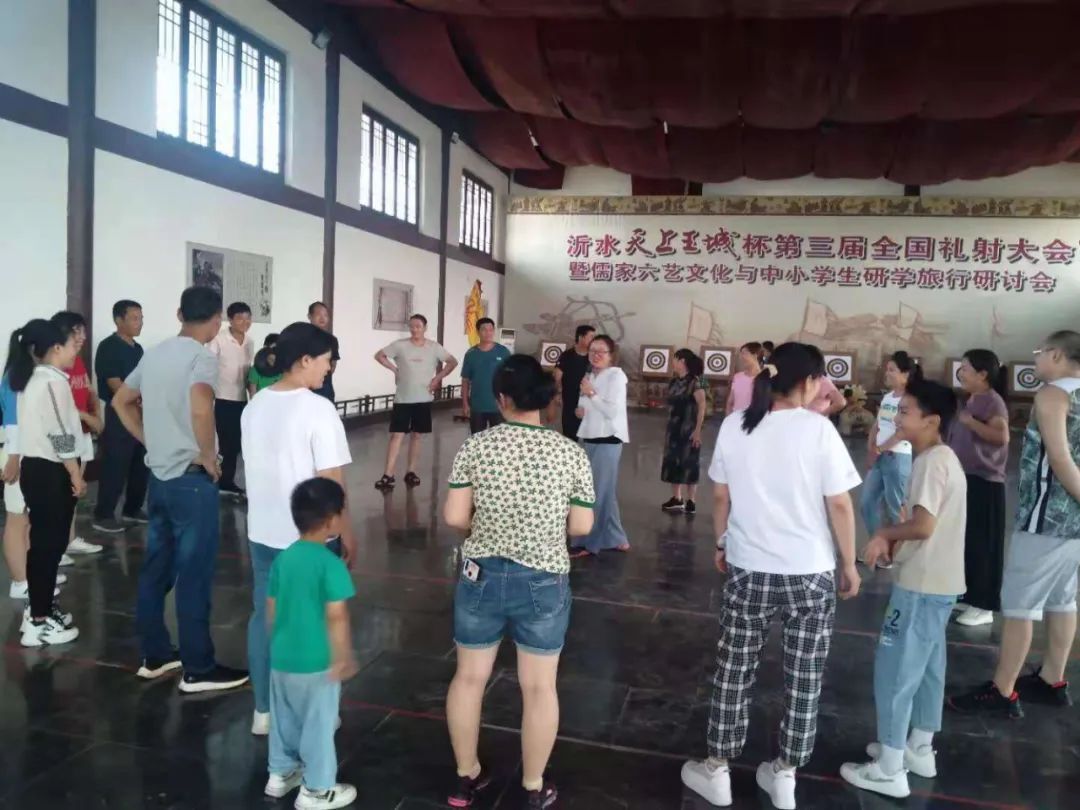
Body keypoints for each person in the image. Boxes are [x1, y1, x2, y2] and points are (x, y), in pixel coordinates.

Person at [681, 343, 861, 810]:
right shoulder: (818, 430)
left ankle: (717, 769)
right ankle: (785, 774)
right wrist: (848, 563)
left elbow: (720, 496)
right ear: (808, 382)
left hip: (749, 567)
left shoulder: (735, 425)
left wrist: (721, 542)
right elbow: (840, 504)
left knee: (734, 668)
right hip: (810, 572)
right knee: (805, 676)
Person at [443, 354, 595, 810]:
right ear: (546, 400)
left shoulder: (476, 447)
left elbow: (454, 517)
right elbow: (582, 526)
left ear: (502, 398)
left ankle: (466, 777)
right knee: (540, 687)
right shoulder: (570, 452)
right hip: (544, 579)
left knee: (469, 678)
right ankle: (533, 784)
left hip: (481, 575)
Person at [112, 286, 249, 693]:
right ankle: (198, 667)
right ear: (217, 320)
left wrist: (150, 440)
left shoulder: (154, 353)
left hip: (160, 479)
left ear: (179, 314)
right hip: (191, 481)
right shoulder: (201, 357)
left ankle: (155, 655)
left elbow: (121, 401)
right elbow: (201, 407)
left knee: (157, 569)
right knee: (194, 573)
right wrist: (209, 456)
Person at [841, 380, 966, 799]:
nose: (897, 416)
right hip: (941, 583)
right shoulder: (941, 457)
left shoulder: (931, 463)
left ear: (932, 421)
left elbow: (924, 526)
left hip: (921, 585)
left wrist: (884, 534)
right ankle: (919, 747)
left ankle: (890, 767)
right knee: (928, 668)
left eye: (907, 411)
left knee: (895, 671)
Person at [949, 330, 1080, 717]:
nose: (1035, 359)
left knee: (1020, 605)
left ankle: (1002, 691)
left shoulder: (1054, 395)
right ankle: (1052, 679)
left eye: (1040, 352)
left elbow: (1059, 457)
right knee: (1063, 599)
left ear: (1057, 355)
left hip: (1047, 516)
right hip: (1073, 523)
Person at [242, 322, 356, 737]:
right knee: (320, 622)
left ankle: (264, 711)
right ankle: (316, 713)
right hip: (309, 538)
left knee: (266, 617)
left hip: (262, 532)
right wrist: (344, 531)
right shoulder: (318, 409)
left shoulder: (254, 406)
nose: (328, 369)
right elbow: (331, 482)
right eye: (326, 361)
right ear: (305, 360)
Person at [263, 477, 358, 810]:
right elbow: (337, 616)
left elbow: (271, 608)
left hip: (282, 658)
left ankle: (280, 774)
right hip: (317, 661)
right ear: (331, 520)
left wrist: (278, 642)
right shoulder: (330, 564)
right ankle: (317, 790)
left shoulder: (284, 559)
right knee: (319, 726)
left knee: (284, 719)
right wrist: (342, 656)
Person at [12, 319, 84, 646]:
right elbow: (60, 433)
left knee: (47, 546)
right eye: (72, 344)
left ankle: (39, 610)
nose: (75, 350)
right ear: (56, 347)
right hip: (49, 472)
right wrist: (75, 473)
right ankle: (39, 621)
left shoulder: (34, 379)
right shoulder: (51, 382)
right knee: (47, 547)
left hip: (39, 470)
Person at [949, 349, 1010, 627]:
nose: (961, 373)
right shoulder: (972, 398)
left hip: (985, 482)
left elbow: (1001, 437)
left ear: (983, 374)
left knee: (984, 545)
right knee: (968, 541)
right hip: (967, 478)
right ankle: (970, 595)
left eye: (966, 368)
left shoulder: (993, 402)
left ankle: (984, 606)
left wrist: (971, 422)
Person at [374, 314, 457, 489]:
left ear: (425, 328)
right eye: (411, 326)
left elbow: (452, 362)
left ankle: (411, 471)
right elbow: (380, 355)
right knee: (397, 435)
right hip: (403, 399)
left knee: (417, 435)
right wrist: (394, 370)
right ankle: (388, 474)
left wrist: (437, 379)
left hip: (423, 398)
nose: (414, 329)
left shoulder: (433, 347)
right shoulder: (400, 345)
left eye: (418, 326)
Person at [860, 352, 922, 568]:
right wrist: (871, 448)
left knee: (896, 508)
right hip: (879, 456)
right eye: (887, 369)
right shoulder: (888, 397)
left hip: (897, 457)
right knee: (867, 503)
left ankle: (899, 553)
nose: (887, 374)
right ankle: (879, 548)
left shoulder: (910, 400)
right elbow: (878, 425)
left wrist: (880, 448)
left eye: (892, 370)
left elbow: (903, 431)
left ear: (905, 374)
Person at [92, 299, 148, 534]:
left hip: (141, 413)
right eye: (134, 318)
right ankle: (103, 515)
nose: (140, 322)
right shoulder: (108, 347)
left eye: (141, 318)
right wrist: (136, 399)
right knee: (115, 465)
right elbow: (114, 383)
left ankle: (132, 509)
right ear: (119, 320)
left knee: (140, 464)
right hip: (118, 412)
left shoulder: (138, 349)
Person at [51, 311, 104, 559]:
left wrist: (95, 412)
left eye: (83, 331)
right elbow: (59, 408)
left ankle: (69, 539)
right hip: (65, 436)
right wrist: (85, 416)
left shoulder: (77, 360)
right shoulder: (54, 368)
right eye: (76, 332)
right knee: (61, 493)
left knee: (74, 493)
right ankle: (55, 546)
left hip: (81, 433)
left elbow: (89, 390)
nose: (82, 337)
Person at [572, 335, 629, 557]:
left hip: (608, 438)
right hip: (589, 436)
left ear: (611, 355)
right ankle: (616, 537)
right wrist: (581, 409)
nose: (595, 355)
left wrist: (591, 394)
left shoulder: (616, 376)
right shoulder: (590, 375)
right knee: (606, 491)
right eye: (592, 350)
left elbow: (612, 411)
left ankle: (589, 543)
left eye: (601, 351)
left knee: (597, 492)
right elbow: (586, 404)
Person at [208, 301, 254, 497]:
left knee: (235, 444)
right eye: (240, 318)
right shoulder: (218, 339)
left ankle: (227, 481)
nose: (245, 322)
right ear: (230, 319)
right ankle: (216, 479)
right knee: (223, 443)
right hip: (221, 398)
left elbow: (249, 372)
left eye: (248, 318)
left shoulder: (250, 342)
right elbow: (207, 367)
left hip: (241, 399)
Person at [2, 331, 33, 599]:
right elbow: (12, 420)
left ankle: (29, 574)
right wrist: (13, 459)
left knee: (27, 518)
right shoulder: (15, 376)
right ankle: (19, 580)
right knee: (16, 517)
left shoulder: (27, 375)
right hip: (15, 452)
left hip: (26, 451)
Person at [661, 348, 708, 514]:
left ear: (682, 361)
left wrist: (698, 430)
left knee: (689, 463)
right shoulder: (673, 382)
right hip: (673, 428)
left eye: (675, 359)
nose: (672, 363)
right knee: (673, 461)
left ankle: (691, 500)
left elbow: (702, 405)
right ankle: (677, 498)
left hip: (689, 429)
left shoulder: (696, 382)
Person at [461, 317, 511, 434]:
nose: (488, 333)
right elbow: (465, 380)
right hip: (477, 406)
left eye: (491, 330)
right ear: (478, 332)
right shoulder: (471, 354)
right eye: (484, 329)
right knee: (477, 439)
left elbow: (510, 378)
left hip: (499, 406)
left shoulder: (503, 352)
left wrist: (509, 402)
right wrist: (465, 403)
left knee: (498, 439)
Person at [554, 325, 595, 441]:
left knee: (589, 436)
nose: (594, 340)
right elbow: (557, 377)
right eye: (591, 337)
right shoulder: (567, 356)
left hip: (589, 400)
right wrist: (557, 393)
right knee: (570, 436)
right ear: (581, 337)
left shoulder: (593, 357)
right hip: (570, 400)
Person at [308, 302, 340, 403]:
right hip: (305, 386)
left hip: (325, 387)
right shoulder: (301, 337)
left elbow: (333, 364)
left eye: (325, 315)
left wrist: (321, 376)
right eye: (318, 314)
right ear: (310, 316)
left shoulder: (332, 340)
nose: (322, 318)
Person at [725, 342, 763, 415]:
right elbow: (730, 403)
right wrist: (728, 419)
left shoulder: (764, 378)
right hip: (735, 418)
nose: (741, 357)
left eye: (744, 353)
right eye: (740, 354)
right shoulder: (737, 377)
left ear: (755, 356)